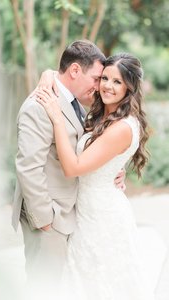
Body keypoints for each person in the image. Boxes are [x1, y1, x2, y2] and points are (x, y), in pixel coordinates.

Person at [35, 52, 155, 300]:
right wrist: (48, 75)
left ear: (129, 87)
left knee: (104, 283)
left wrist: (57, 118)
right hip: (85, 212)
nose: (108, 86)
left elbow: (73, 168)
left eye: (117, 81)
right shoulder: (105, 115)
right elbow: (63, 78)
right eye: (105, 78)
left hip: (104, 217)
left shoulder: (122, 127)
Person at [12, 40, 125, 297]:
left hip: (70, 216)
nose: (99, 86)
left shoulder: (75, 104)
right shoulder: (39, 106)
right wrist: (44, 220)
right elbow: (28, 167)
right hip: (50, 220)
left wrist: (111, 170)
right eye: (97, 78)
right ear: (75, 71)